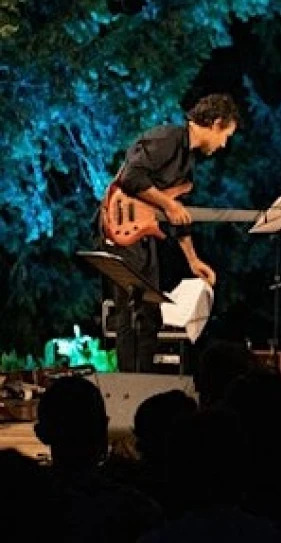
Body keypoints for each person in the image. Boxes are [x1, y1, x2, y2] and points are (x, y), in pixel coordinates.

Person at [98, 93, 240, 372]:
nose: (224, 144)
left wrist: (193, 260)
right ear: (215, 123)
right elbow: (130, 177)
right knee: (129, 309)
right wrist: (167, 203)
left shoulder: (187, 163)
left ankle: (145, 380)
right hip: (121, 225)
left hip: (144, 233)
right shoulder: (167, 138)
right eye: (226, 136)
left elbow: (178, 215)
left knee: (150, 312)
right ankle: (129, 383)